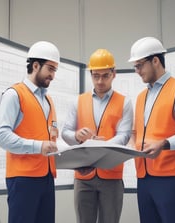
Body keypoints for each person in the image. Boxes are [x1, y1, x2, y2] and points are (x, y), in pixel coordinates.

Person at [127, 37, 175, 223]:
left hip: (169, 179)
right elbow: (138, 132)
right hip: (144, 178)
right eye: (135, 67)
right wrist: (131, 144)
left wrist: (165, 143)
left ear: (155, 60)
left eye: (139, 65)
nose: (137, 71)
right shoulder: (141, 97)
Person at [61, 48, 133, 223]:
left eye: (105, 76)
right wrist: (77, 135)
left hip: (112, 176)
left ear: (114, 74)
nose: (100, 81)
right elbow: (65, 132)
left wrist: (103, 146)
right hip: (83, 176)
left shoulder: (125, 102)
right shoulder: (77, 101)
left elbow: (124, 135)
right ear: (90, 74)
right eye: (96, 76)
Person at [0, 41, 60, 223]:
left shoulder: (48, 100)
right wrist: (38, 147)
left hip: (46, 178)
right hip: (23, 179)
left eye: (55, 70)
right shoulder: (14, 95)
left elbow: (50, 138)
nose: (53, 75)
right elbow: (1, 136)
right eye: (50, 69)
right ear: (36, 65)